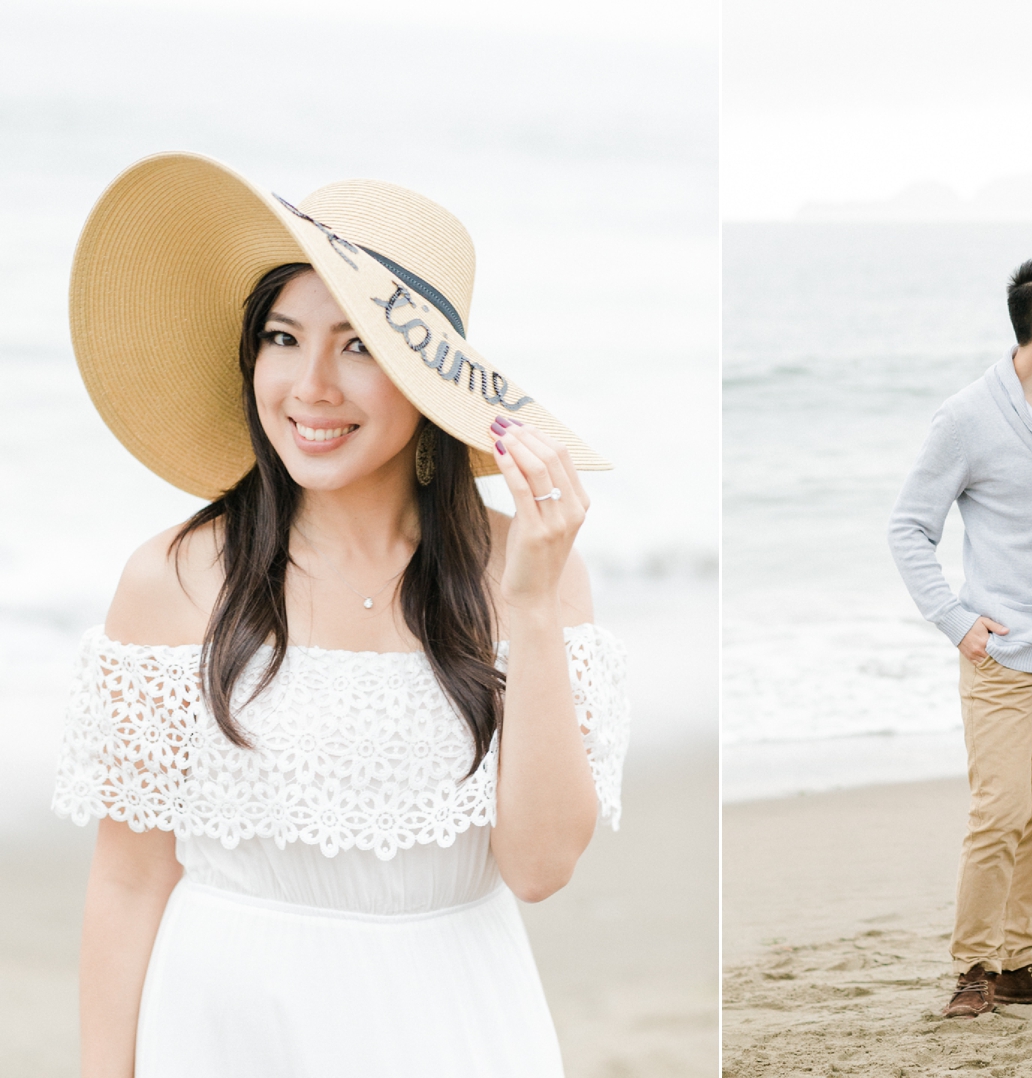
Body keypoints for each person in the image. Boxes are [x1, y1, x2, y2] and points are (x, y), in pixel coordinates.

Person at [52, 152, 630, 1076]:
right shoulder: (175, 577)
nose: (309, 385)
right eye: (282, 337)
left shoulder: (526, 572)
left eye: (359, 344)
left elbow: (540, 866)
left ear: (430, 382)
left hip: (453, 1022)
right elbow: (126, 883)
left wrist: (528, 608)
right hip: (222, 1026)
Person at [888, 255, 1032, 1018]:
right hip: (1003, 650)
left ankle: (1022, 960)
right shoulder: (967, 416)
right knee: (1000, 811)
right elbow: (910, 527)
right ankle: (974, 966)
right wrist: (955, 619)